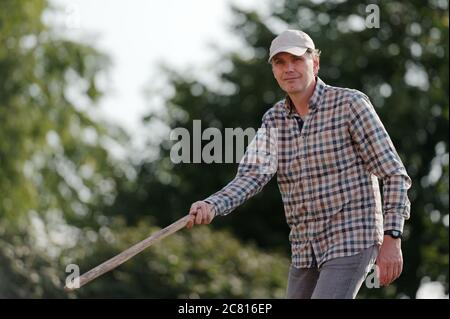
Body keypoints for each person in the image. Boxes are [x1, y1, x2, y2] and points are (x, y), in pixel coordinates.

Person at [186, 29, 411, 299]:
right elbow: (252, 175)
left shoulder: (350, 104)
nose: (288, 68)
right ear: (273, 71)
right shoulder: (273, 120)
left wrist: (392, 237)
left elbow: (394, 173)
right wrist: (212, 204)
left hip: (352, 237)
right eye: (280, 62)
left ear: (314, 64)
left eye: (296, 60)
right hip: (305, 248)